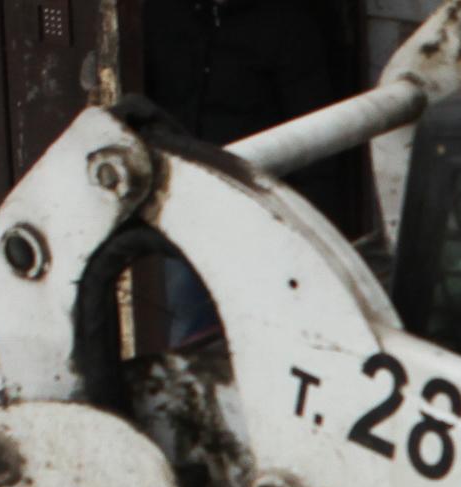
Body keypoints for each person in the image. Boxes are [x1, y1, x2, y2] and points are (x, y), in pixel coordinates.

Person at [142, 0, 373, 342]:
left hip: (259, 207)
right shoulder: (157, 16)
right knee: (185, 325)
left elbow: (316, 138)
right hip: (177, 199)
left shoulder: (289, 25)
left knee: (267, 329)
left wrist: (319, 236)